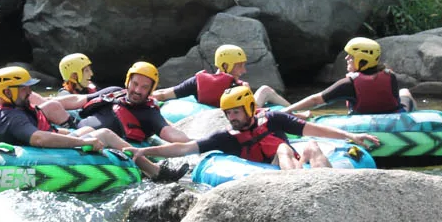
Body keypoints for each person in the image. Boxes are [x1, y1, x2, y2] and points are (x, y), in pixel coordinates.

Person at [0, 66, 187, 183]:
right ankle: (155, 172)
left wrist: (195, 143)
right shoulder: (13, 116)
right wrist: (74, 142)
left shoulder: (14, 111)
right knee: (103, 133)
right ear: (7, 91)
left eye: (144, 87)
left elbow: (43, 131)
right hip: (36, 153)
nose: (29, 92)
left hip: (50, 139)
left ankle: (154, 170)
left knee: (91, 131)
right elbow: (39, 138)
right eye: (24, 89)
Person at [135, 85, 380, 171]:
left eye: (236, 111)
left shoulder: (273, 119)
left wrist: (351, 136)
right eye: (228, 113)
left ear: (250, 108)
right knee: (284, 149)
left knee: (313, 146)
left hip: (294, 163)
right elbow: (185, 148)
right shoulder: (226, 138)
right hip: (272, 167)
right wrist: (148, 152)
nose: (232, 118)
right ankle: (301, 181)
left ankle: (325, 184)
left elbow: (314, 130)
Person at [284, 37, 416, 116]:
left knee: (403, 92)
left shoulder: (348, 84)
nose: (346, 58)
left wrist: (286, 110)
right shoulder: (390, 75)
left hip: (362, 120)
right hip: (394, 118)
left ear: (362, 59)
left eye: (351, 56)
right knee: (405, 92)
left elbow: (315, 100)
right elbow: (394, 102)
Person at [150, 44, 289, 109]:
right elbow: (252, 111)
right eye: (239, 65)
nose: (244, 70)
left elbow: (163, 94)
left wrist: (147, 96)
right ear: (226, 65)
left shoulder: (197, 82)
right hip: (242, 112)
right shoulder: (238, 87)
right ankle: (297, 112)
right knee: (265, 90)